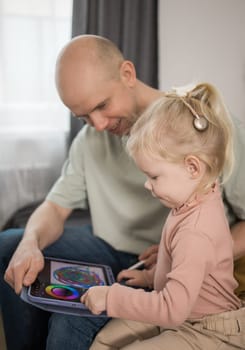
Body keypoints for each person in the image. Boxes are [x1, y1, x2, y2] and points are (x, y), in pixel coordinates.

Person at [0, 35, 244, 350]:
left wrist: (183, 254)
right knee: (10, 245)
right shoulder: (90, 139)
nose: (97, 124)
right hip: (108, 250)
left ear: (127, 74)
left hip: (174, 264)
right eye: (84, 117)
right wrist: (29, 244)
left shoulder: (208, 129)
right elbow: (55, 207)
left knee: (69, 321)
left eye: (102, 105)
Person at [83, 83, 245, 350]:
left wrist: (112, 296)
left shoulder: (196, 230)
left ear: (193, 167)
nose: (147, 185)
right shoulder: (195, 195)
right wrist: (151, 277)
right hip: (183, 311)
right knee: (103, 340)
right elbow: (189, 270)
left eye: (154, 176)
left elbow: (171, 308)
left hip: (210, 330)